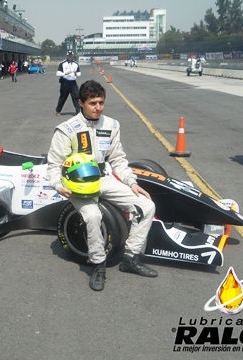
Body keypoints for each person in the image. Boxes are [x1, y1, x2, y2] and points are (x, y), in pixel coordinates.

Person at [47, 80, 158, 292]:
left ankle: (130, 258)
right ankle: (98, 264)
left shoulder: (112, 125)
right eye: (93, 103)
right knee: (92, 216)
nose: (98, 107)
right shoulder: (66, 129)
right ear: (81, 102)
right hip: (78, 183)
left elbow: (118, 158)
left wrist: (131, 182)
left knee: (147, 206)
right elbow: (53, 164)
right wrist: (57, 185)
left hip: (103, 177)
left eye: (101, 102)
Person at [55, 50, 81, 116]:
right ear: (67, 55)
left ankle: (79, 111)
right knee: (63, 97)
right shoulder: (63, 63)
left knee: (76, 96)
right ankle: (58, 110)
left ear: (73, 55)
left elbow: (79, 73)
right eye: (69, 55)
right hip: (65, 82)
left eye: (71, 55)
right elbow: (58, 73)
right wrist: (65, 73)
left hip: (73, 83)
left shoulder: (75, 64)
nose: (70, 56)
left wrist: (76, 73)